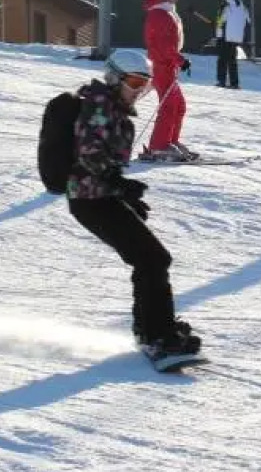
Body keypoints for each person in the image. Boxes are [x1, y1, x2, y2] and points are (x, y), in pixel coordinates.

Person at [66, 48, 201, 363]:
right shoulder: (99, 106)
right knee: (152, 259)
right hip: (90, 200)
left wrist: (123, 195)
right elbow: (90, 154)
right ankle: (157, 336)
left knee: (152, 258)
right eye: (135, 83)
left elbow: (104, 162)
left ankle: (150, 329)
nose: (140, 91)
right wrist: (119, 186)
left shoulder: (112, 108)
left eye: (145, 85)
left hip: (100, 197)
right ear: (115, 78)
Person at [141, 0, 196, 161]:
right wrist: (180, 59)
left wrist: (177, 61)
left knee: (178, 106)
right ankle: (158, 146)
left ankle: (170, 141)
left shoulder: (165, 12)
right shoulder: (159, 15)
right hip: (161, 66)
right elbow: (163, 47)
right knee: (169, 106)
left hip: (168, 65)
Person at [214, 0, 248, 90]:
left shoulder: (226, 6)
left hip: (225, 37)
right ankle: (234, 83)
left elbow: (220, 21)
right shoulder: (243, 7)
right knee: (232, 60)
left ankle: (222, 81)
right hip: (236, 38)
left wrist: (218, 35)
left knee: (222, 60)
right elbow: (248, 21)